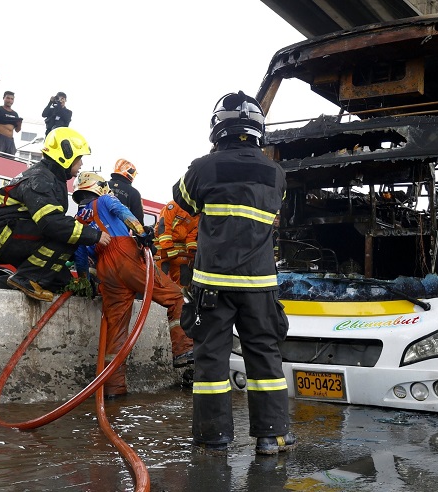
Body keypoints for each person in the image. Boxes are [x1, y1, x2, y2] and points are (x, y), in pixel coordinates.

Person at [173, 91, 293, 455]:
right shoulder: (276, 174)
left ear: (217, 128)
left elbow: (183, 201)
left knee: (211, 357)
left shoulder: (202, 168)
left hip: (213, 285)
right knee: (265, 356)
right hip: (259, 286)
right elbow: (276, 210)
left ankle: (214, 438)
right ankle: (271, 436)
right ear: (258, 128)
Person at [71, 172, 194, 398]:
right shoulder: (106, 200)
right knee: (175, 296)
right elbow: (124, 212)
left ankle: (114, 389)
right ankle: (183, 350)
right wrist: (141, 233)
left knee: (116, 331)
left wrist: (86, 284)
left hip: (105, 272)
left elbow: (80, 257)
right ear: (100, 187)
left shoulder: (78, 220)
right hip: (125, 256)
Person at [0, 127, 110, 301]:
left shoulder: (51, 177)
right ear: (66, 154)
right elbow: (52, 223)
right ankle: (25, 278)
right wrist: (94, 235)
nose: (81, 164)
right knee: (68, 236)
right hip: (3, 231)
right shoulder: (40, 178)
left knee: (59, 282)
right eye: (79, 159)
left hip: (11, 228)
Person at [154, 200, 199, 287]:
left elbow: (192, 236)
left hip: (180, 247)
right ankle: (158, 296)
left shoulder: (197, 215)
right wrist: (168, 248)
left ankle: (181, 297)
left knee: (184, 274)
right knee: (161, 273)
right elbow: (164, 226)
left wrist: (192, 250)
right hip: (162, 245)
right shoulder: (174, 205)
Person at [0, 91, 22, 155]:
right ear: (3, 98)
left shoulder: (15, 114)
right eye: (8, 98)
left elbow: (17, 130)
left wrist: (19, 124)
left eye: (12, 99)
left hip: (10, 140)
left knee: (10, 160)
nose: (10, 100)